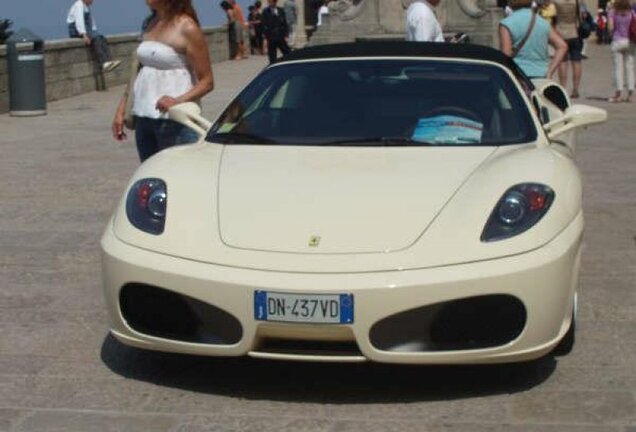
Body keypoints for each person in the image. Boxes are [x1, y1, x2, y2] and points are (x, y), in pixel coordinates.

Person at [111, 0, 214, 162]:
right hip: (144, 116)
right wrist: (121, 109)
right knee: (151, 174)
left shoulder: (187, 27)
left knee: (179, 174)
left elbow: (207, 81)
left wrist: (177, 101)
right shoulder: (149, 23)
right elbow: (138, 72)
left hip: (175, 119)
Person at [499, 0, 568, 78]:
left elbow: (506, 56)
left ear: (510, 3)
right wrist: (550, 71)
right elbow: (562, 46)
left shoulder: (506, 23)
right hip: (542, 74)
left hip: (518, 75)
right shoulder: (543, 22)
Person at [66, 0, 121, 72]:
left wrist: (95, 32)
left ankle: (109, 60)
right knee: (96, 39)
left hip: (86, 29)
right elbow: (79, 21)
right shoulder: (79, 5)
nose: (92, 1)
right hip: (76, 30)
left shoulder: (86, 7)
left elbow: (91, 22)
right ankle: (103, 63)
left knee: (101, 38)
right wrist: (84, 34)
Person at [553, 0, 589, 98]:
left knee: (563, 61)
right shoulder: (577, 1)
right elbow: (584, 15)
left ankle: (563, 88)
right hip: (574, 31)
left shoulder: (556, 2)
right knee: (576, 60)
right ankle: (575, 89)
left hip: (560, 32)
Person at [607, 0, 635, 102]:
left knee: (618, 68)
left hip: (617, 41)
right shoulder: (632, 12)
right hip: (630, 41)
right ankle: (631, 94)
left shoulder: (613, 12)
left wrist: (611, 34)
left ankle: (618, 94)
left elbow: (610, 28)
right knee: (630, 67)